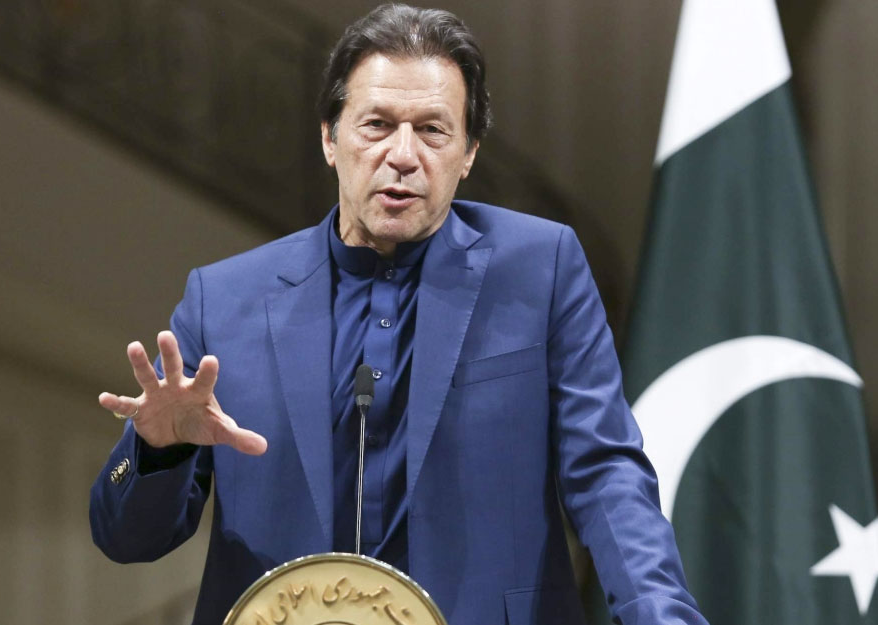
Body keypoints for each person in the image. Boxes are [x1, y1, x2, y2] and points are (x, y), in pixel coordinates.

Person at [90, 5, 708, 625]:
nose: (403, 155)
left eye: (433, 130)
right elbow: (125, 539)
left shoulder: (540, 269)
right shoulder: (222, 299)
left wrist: (661, 614)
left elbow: (605, 474)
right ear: (330, 138)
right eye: (377, 125)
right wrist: (158, 449)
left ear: (468, 152)